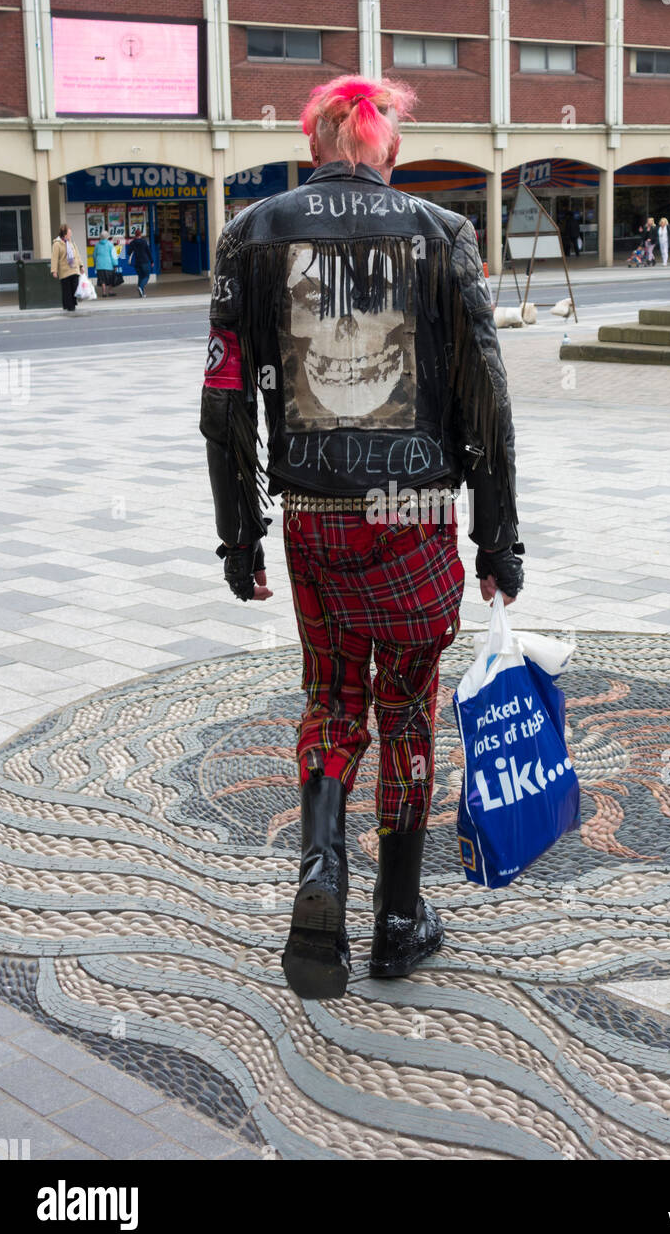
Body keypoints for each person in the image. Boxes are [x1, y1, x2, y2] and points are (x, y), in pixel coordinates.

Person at [201, 74, 522, 1002]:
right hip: (415, 515)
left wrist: (239, 538)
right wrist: (499, 541)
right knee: (408, 708)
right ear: (382, 144)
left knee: (331, 702)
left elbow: (224, 408)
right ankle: (395, 922)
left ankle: (319, 874)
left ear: (315, 143)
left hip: (315, 518)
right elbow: (486, 397)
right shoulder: (442, 233)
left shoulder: (250, 236)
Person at [50, 225, 83, 312]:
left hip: (74, 269)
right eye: (69, 233)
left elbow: (77, 255)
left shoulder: (71, 242)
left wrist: (81, 266)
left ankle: (73, 303)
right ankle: (69, 306)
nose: (71, 234)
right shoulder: (57, 244)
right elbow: (54, 258)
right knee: (67, 290)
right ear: (64, 234)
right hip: (64, 270)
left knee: (75, 287)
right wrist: (54, 271)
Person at [126, 229, 153, 297]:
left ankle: (142, 294)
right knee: (146, 276)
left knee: (140, 277)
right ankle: (140, 287)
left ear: (135, 235)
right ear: (140, 234)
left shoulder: (132, 242)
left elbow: (128, 252)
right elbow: (148, 252)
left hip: (137, 262)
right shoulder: (144, 242)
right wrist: (152, 261)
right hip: (144, 261)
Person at [93, 231, 119, 298]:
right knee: (110, 278)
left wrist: (95, 263)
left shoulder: (97, 245)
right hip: (109, 264)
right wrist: (115, 264)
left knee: (102, 279)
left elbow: (94, 255)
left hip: (99, 265)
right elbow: (113, 255)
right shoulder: (110, 244)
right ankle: (110, 291)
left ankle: (104, 292)